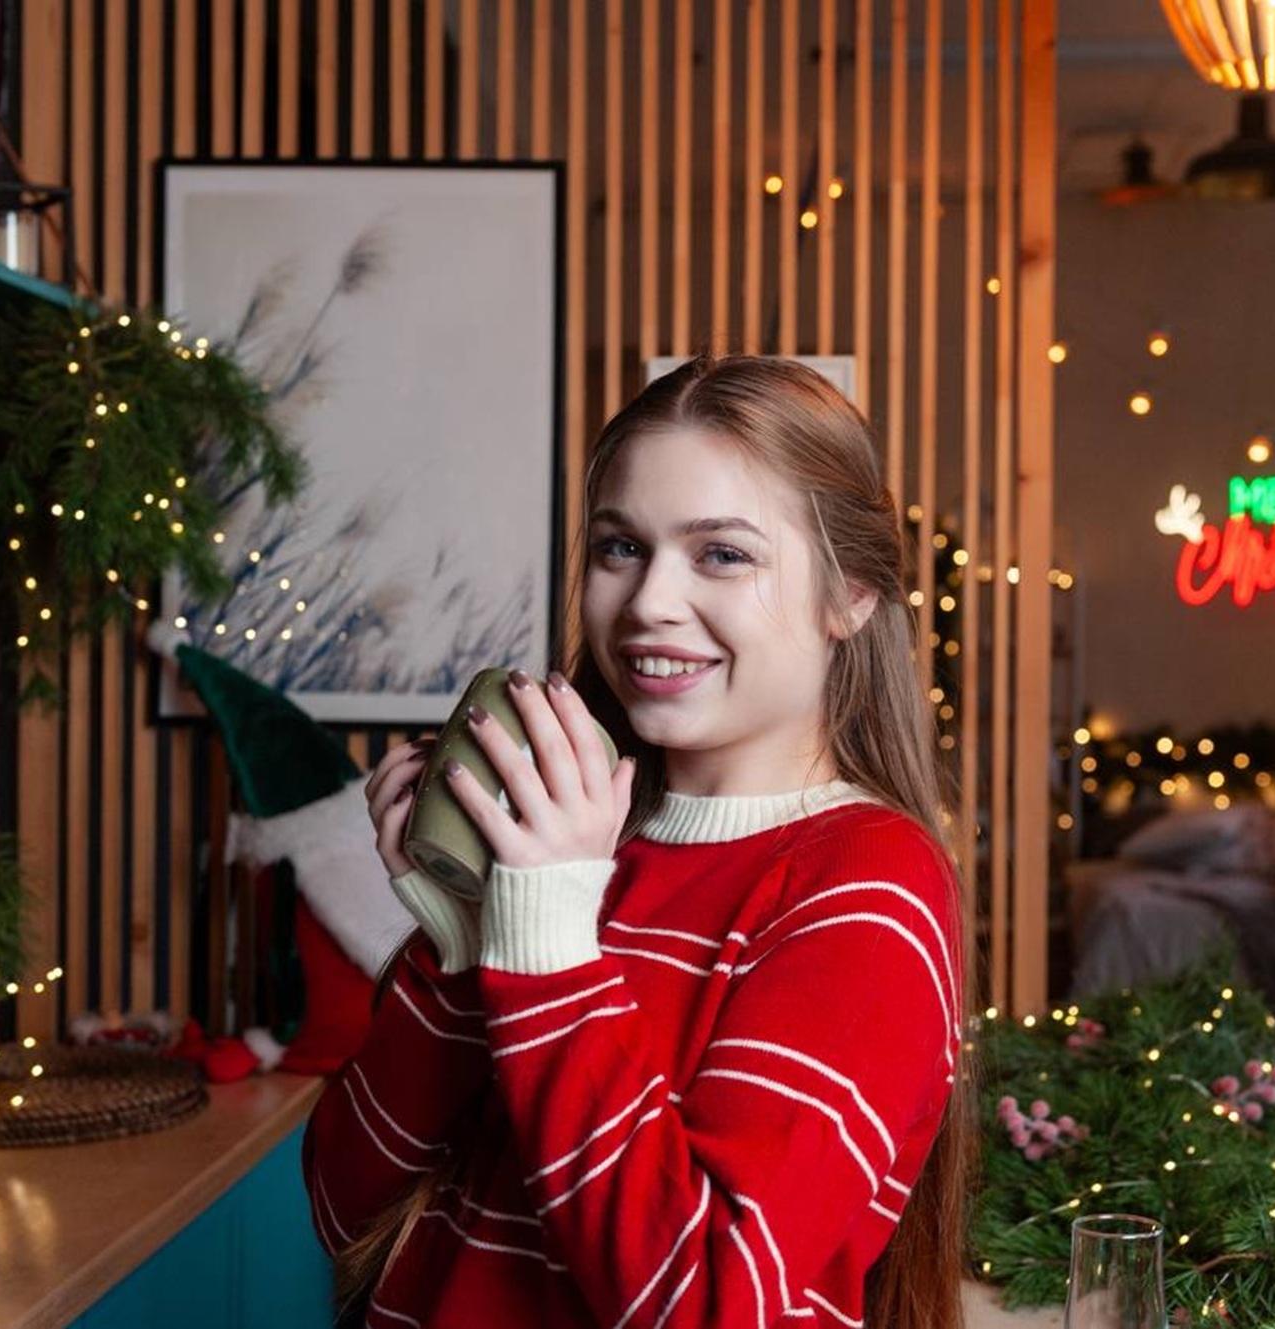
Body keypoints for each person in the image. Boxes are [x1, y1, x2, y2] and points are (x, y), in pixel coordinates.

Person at [303, 355, 972, 1328]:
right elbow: (341, 1205)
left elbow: (706, 1302)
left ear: (851, 596)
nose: (650, 600)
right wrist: (463, 945)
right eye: (621, 547)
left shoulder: (868, 886)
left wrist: (544, 951)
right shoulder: (563, 841)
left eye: (722, 554)